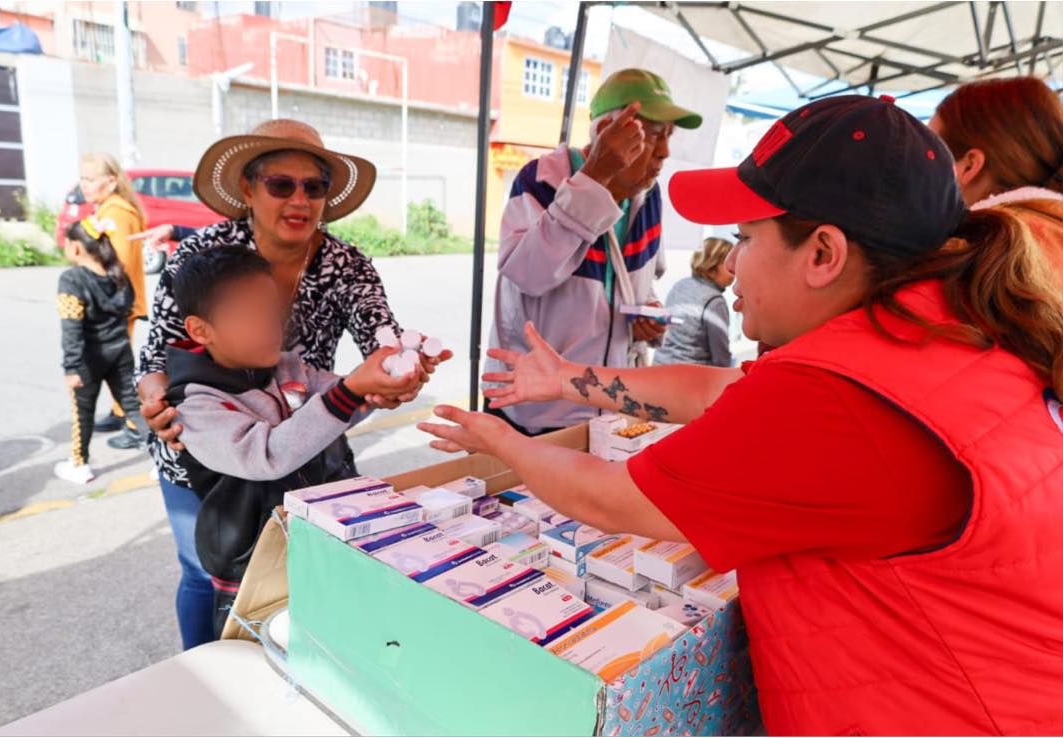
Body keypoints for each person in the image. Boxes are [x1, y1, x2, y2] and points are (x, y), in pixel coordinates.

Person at [421, 95, 1063, 734]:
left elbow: (613, 498)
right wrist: (566, 379)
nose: (730, 266)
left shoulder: (839, 398)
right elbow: (719, 391)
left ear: (823, 254)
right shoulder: (939, 325)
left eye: (745, 238)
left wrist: (500, 442)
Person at [136, 118, 451, 651]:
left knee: (308, 573)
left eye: (314, 186)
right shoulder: (205, 254)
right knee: (206, 574)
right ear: (248, 189)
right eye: (281, 185)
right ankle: (200, 679)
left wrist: (401, 371)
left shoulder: (346, 264)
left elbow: (382, 337)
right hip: (209, 449)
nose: (299, 199)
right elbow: (154, 353)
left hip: (304, 441)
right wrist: (153, 400)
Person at [164, 246, 423, 635]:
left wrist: (384, 384)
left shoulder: (287, 365)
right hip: (252, 565)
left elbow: (339, 398)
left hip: (317, 540)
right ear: (201, 330)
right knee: (258, 651)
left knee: (326, 635)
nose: (270, 328)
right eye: (250, 316)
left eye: (273, 313)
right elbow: (267, 455)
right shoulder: (197, 406)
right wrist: (353, 390)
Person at [484, 68, 702, 436]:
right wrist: (594, 181)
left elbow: (641, 285)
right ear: (606, 133)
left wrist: (647, 314)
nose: (664, 151)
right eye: (651, 134)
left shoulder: (648, 196)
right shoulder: (541, 179)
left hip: (611, 405)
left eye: (669, 136)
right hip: (538, 411)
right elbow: (528, 274)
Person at [929, 76, 1063, 276]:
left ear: (970, 165)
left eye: (930, 154)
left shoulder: (969, 260)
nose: (921, 168)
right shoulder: (1051, 234)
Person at [54, 216, 147, 485]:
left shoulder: (71, 279)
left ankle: (79, 463)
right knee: (133, 405)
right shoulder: (118, 274)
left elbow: (71, 327)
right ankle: (161, 455)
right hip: (120, 351)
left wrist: (71, 367)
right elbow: (129, 306)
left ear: (75, 248)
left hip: (87, 358)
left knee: (82, 412)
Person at [78, 153, 148, 448]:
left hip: (115, 303)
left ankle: (136, 426)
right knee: (113, 361)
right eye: (82, 178)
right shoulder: (109, 208)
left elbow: (116, 264)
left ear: (110, 181)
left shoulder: (116, 213)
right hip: (114, 301)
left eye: (90, 179)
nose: (83, 185)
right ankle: (122, 413)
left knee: (116, 363)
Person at [653, 237, 734, 367]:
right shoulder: (714, 301)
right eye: (730, 265)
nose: (734, 270)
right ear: (713, 266)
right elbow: (721, 358)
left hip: (660, 368)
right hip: (690, 377)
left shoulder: (680, 285)